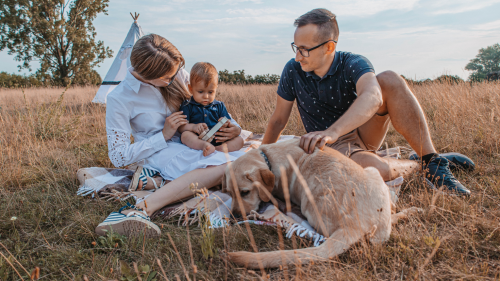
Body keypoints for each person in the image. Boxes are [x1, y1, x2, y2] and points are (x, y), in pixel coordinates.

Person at [262, 8, 472, 196]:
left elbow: (373, 96)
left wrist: (332, 131)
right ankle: (418, 165)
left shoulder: (353, 63)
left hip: (361, 131)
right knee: (375, 170)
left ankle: (432, 161)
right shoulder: (293, 69)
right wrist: (261, 159)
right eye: (295, 47)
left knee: (389, 79)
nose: (298, 56)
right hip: (331, 148)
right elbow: (278, 121)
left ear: (328, 47)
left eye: (304, 49)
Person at [95, 34, 244, 238]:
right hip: (160, 151)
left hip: (193, 142)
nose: (175, 79)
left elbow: (211, 105)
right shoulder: (120, 98)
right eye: (168, 78)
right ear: (148, 74)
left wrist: (234, 127)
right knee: (226, 168)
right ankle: (139, 209)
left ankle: (152, 197)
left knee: (242, 161)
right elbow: (118, 156)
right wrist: (163, 135)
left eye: (175, 74)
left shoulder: (176, 73)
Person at [178, 62, 244, 156]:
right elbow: (181, 127)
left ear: (216, 89)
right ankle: (204, 146)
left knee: (240, 140)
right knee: (185, 136)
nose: (206, 96)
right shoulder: (187, 105)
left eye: (210, 92)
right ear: (191, 89)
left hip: (218, 139)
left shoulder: (219, 105)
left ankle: (219, 149)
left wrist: (226, 123)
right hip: (199, 138)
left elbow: (228, 121)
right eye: (200, 92)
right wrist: (193, 127)